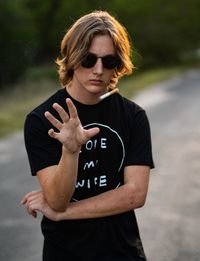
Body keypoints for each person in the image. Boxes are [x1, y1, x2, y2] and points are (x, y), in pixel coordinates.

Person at [21, 10, 154, 261]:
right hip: (65, 252)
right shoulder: (42, 120)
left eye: (109, 61)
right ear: (72, 58)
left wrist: (64, 213)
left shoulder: (133, 116)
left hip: (122, 251)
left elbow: (135, 194)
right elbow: (57, 200)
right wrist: (70, 151)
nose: (99, 70)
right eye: (89, 59)